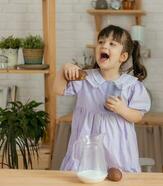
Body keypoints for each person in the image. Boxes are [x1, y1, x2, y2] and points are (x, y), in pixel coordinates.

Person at [54, 25, 151, 172]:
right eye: (101, 42)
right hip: (87, 146)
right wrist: (64, 69)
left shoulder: (131, 86)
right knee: (83, 182)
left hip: (117, 149)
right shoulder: (84, 78)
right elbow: (57, 90)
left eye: (112, 44)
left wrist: (122, 110)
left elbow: (137, 116)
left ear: (123, 57)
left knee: (116, 184)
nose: (104, 45)